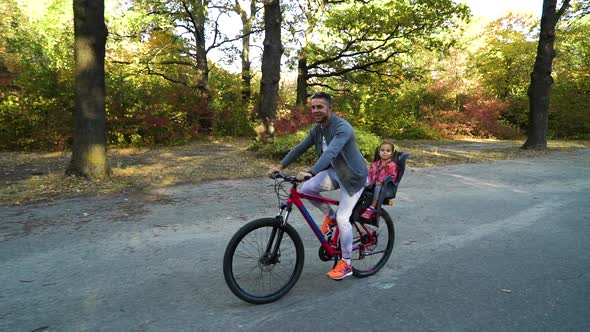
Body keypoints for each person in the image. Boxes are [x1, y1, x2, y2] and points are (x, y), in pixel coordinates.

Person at [267, 92, 368, 280]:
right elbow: (299, 148)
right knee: (306, 189)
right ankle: (330, 217)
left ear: (330, 108)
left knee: (343, 218)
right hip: (336, 172)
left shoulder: (342, 128)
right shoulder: (317, 129)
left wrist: (311, 172)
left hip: (353, 177)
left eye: (320, 107)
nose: (315, 110)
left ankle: (346, 263)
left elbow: (330, 152)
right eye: (313, 107)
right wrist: (280, 166)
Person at [360, 141, 398, 220]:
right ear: (379, 152)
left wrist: (382, 182)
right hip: (373, 184)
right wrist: (368, 182)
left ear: (391, 153)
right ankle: (359, 206)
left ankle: (372, 207)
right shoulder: (375, 164)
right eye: (382, 150)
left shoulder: (392, 165)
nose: (385, 152)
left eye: (388, 151)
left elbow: (393, 177)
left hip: (385, 186)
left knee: (377, 187)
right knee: (361, 186)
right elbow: (370, 174)